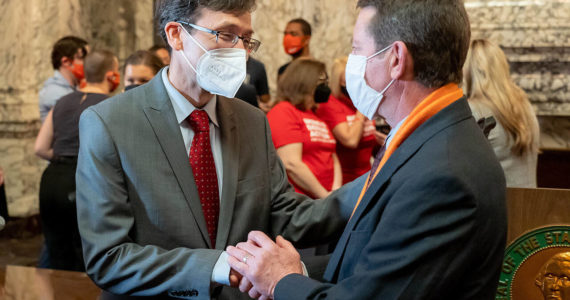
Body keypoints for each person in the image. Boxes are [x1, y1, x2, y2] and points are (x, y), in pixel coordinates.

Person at [226, 0, 507, 299]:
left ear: (396, 59)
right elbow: (377, 266)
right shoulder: (427, 141)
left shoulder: (443, 174)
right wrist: (297, 271)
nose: (351, 62)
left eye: (357, 49)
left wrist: (281, 281)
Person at [75, 1, 356, 298]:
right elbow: (108, 257)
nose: (240, 51)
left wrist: (372, 185)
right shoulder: (109, 123)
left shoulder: (252, 121)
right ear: (176, 35)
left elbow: (283, 214)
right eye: (225, 34)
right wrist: (219, 267)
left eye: (246, 39)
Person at [34, 49, 119, 271]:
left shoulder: (61, 101)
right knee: (85, 255)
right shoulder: (112, 104)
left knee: (56, 252)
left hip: (52, 181)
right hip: (84, 180)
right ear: (111, 75)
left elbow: (40, 148)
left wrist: (64, 157)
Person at [463, 39, 540, 188]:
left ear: (469, 71)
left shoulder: (473, 110)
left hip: (500, 208)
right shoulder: (525, 105)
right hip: (532, 206)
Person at [267, 59, 341, 199]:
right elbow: (291, 164)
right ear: (304, 82)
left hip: (326, 199)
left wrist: (336, 191)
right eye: (320, 82)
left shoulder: (315, 114)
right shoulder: (283, 111)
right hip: (302, 202)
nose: (325, 87)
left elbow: (332, 154)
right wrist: (325, 197)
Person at [316, 56, 384, 184]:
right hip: (343, 181)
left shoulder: (355, 103)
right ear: (340, 83)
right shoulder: (330, 105)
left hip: (366, 177)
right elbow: (351, 140)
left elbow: (366, 140)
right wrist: (362, 108)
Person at [39, 36, 89, 122]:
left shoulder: (74, 88)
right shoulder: (55, 92)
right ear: (66, 62)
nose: (88, 62)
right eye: (82, 58)